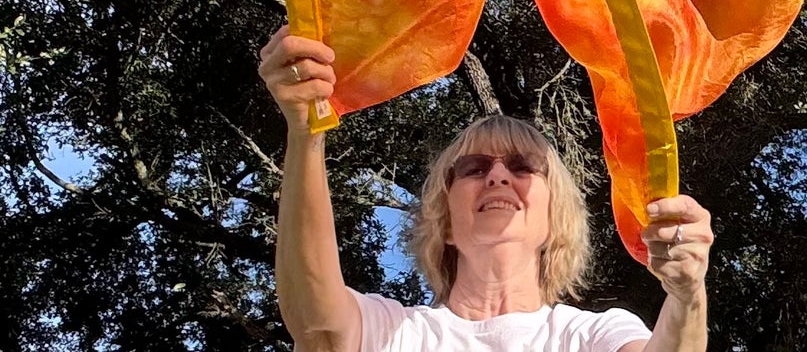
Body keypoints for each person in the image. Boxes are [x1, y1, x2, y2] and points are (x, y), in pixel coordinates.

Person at [260, 26, 713, 351]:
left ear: (555, 220)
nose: (498, 176)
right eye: (475, 168)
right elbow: (317, 324)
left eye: (523, 166)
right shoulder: (394, 332)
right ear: (446, 224)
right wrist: (305, 134)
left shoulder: (592, 337)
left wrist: (688, 294)